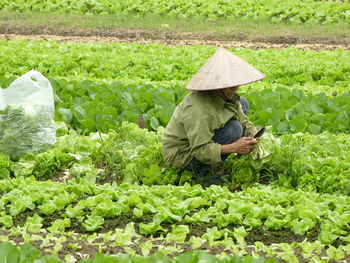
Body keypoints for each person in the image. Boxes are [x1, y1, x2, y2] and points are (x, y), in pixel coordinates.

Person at [162, 48, 265, 184]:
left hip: (203, 142)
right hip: (184, 155)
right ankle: (204, 172)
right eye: (230, 86)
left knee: (243, 103)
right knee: (234, 128)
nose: (235, 89)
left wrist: (255, 138)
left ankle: (216, 160)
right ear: (218, 86)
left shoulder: (227, 96)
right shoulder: (198, 109)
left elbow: (243, 120)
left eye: (236, 85)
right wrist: (234, 147)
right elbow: (199, 149)